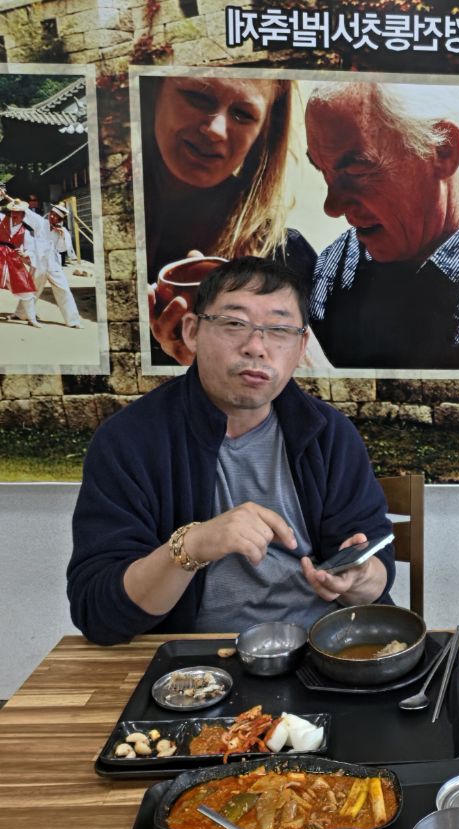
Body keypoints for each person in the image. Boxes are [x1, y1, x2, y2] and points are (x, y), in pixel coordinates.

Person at [67, 257, 394, 645]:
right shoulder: (130, 441)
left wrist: (359, 578)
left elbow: (375, 575)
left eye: (279, 330)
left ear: (301, 346)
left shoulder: (329, 435)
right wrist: (193, 545)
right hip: (192, 661)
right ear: (192, 332)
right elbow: (99, 613)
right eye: (234, 324)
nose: (256, 347)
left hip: (321, 649)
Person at [305, 80, 459, 369]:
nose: (332, 207)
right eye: (323, 172)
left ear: (443, 149)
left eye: (356, 170)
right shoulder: (337, 262)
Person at [140, 72, 316, 365]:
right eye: (197, 96)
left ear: (264, 130)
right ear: (154, 91)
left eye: (243, 114)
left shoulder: (287, 256)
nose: (216, 130)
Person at [26, 201, 81, 328]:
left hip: (53, 264)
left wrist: (61, 236)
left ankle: (73, 320)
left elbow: (62, 249)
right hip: (39, 261)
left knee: (64, 289)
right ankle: (23, 313)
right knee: (32, 289)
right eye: (52, 214)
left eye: (56, 216)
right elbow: (26, 211)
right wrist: (6, 197)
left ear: (61, 219)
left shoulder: (64, 231)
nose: (52, 217)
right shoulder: (40, 222)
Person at [0, 198, 39, 325]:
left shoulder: (25, 231)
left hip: (12, 258)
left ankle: (32, 319)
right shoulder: (2, 219)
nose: (14, 214)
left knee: (25, 288)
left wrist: (25, 253)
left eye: (18, 212)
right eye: (13, 211)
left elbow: (30, 248)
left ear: (23, 214)